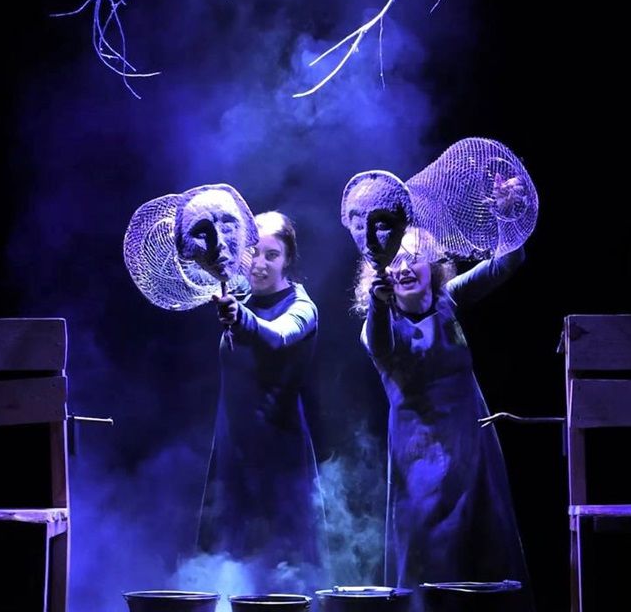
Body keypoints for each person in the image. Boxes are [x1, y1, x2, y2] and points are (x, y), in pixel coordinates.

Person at [355, 225, 532, 606]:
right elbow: (382, 345)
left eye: (414, 257)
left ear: (433, 265)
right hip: (421, 461)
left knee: (487, 551)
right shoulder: (377, 324)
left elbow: (507, 262)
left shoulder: (447, 300)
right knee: (431, 560)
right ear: (381, 271)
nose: (405, 268)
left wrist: (507, 217)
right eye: (395, 260)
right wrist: (378, 302)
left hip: (473, 450)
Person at [197, 210, 326, 571]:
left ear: (287, 260)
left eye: (272, 255)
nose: (260, 263)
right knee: (228, 563)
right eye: (253, 252)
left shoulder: (302, 307)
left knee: (285, 568)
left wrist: (241, 318)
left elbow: (279, 336)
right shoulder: (239, 298)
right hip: (233, 451)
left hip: (279, 454)